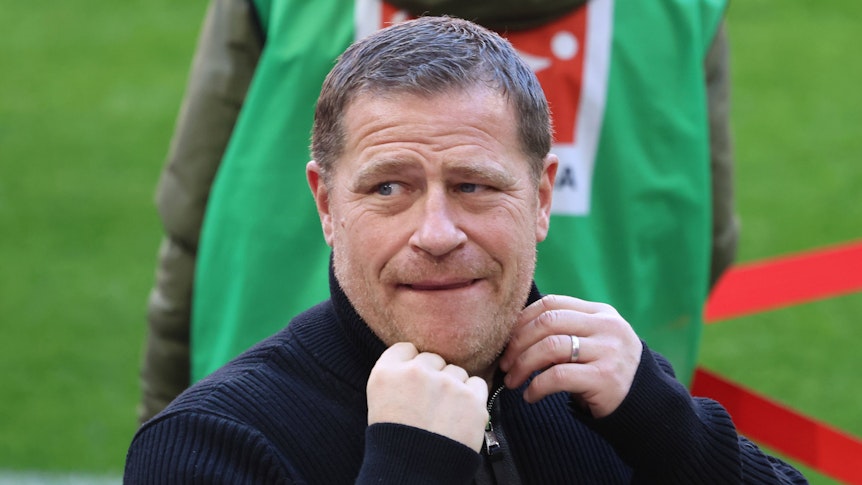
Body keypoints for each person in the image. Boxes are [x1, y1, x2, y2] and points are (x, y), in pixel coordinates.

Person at [125, 17, 803, 483]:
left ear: (541, 197)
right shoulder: (210, 444)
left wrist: (673, 428)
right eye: (389, 188)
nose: (437, 233)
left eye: (473, 186)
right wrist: (408, 469)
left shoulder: (616, 406)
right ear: (327, 205)